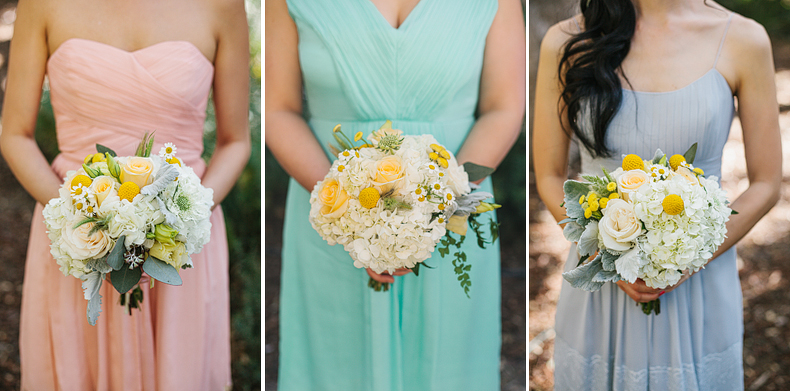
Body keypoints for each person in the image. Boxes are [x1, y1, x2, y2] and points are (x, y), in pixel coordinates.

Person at [266, 0, 525, 389]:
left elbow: (503, 108)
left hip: (454, 217)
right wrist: (351, 209)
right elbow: (277, 109)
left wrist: (436, 207)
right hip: (331, 218)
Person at [0, 0, 251, 389]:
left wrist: (177, 220)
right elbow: (15, 134)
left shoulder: (222, 6)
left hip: (179, 243)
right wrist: (83, 222)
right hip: (78, 236)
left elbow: (236, 142)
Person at [533, 0, 781, 389]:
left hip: (701, 283)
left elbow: (766, 183)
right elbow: (548, 176)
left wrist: (685, 259)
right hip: (599, 285)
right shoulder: (566, 41)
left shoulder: (744, 39)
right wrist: (607, 258)